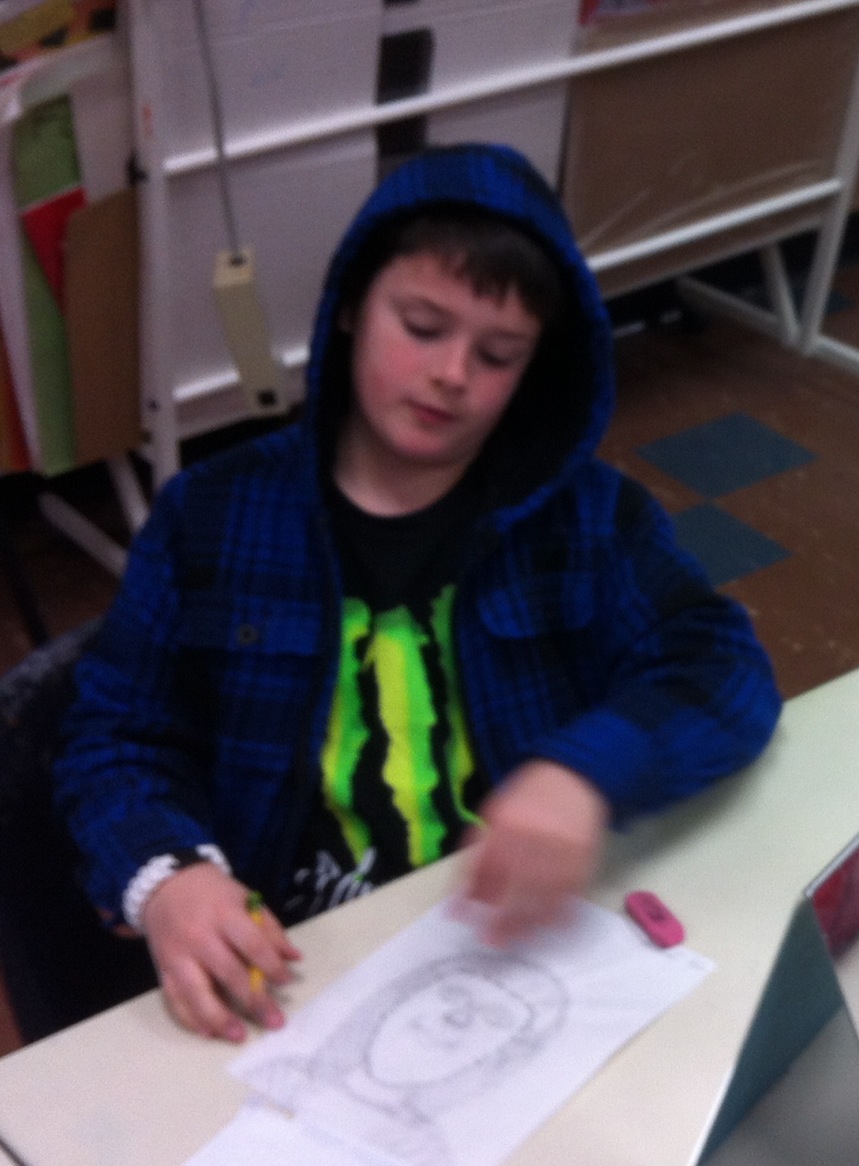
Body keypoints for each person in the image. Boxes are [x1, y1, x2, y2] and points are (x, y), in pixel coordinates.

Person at [54, 143, 781, 1043]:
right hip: (293, 962)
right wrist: (167, 874)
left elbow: (719, 664)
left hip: (513, 939)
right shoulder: (208, 515)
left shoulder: (588, 516)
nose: (452, 374)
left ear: (535, 368)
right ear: (350, 306)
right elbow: (114, 734)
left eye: (498, 354)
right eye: (423, 326)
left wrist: (586, 773)